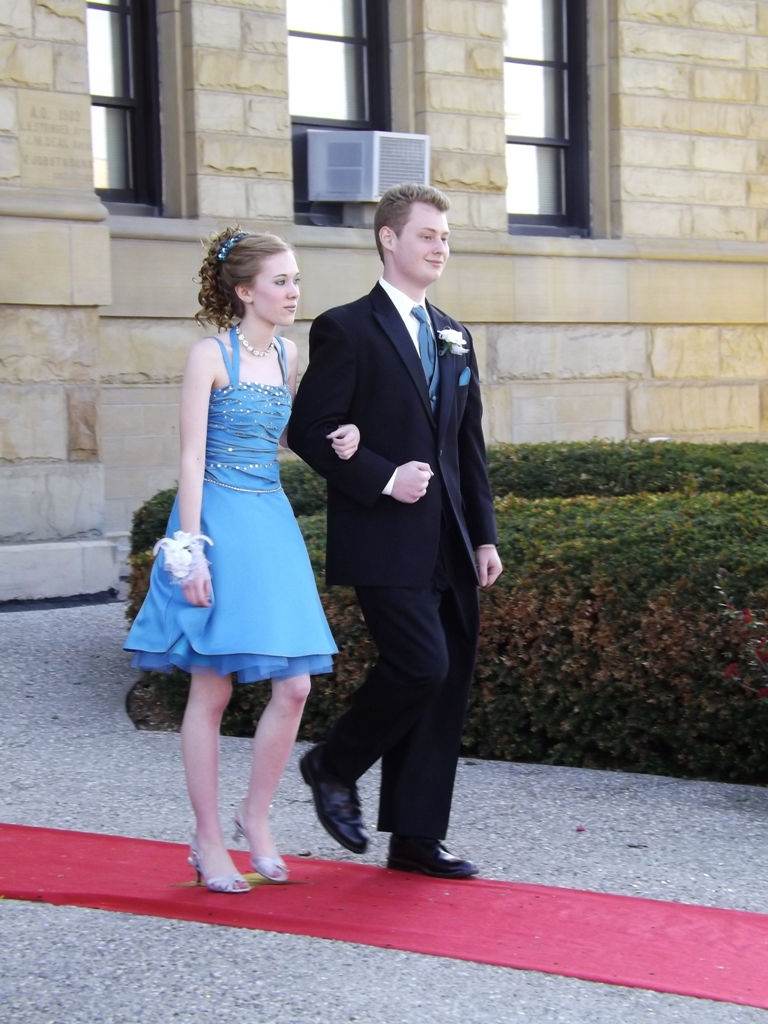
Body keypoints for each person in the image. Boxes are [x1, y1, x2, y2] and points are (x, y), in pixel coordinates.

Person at [125, 228, 359, 893]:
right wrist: (190, 551)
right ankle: (206, 840)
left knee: (296, 685)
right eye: (281, 281)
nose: (293, 292)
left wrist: (339, 437)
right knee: (213, 686)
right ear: (245, 290)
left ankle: (254, 817)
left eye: (296, 281)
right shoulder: (209, 355)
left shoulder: (287, 354)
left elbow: (280, 436)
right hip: (217, 522)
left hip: (271, 519)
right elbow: (191, 457)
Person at [287, 183, 502, 879]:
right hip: (384, 536)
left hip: (451, 539)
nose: (440, 248)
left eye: (445, 238)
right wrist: (383, 477)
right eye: (427, 236)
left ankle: (415, 838)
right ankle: (332, 764)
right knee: (420, 665)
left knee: (446, 682)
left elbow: (467, 447)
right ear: (389, 238)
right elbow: (310, 431)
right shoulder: (346, 328)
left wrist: (485, 536)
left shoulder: (455, 334)